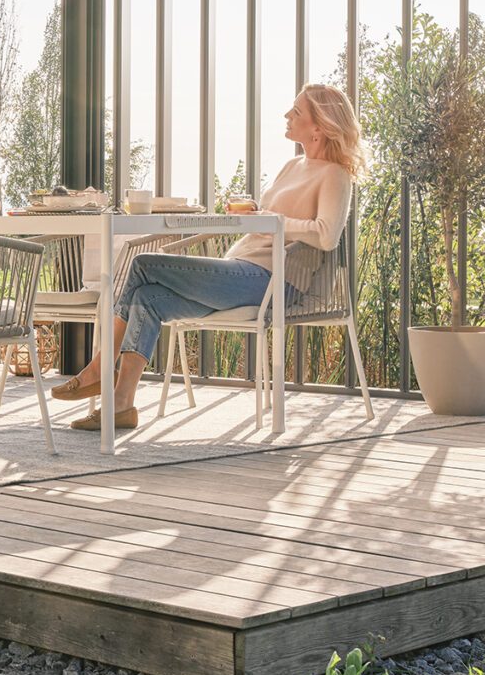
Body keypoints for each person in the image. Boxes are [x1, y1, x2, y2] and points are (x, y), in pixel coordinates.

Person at [52, 83, 359, 430]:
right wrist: (258, 214)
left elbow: (327, 234)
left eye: (297, 111)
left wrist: (273, 221)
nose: (287, 116)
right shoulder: (291, 166)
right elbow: (270, 220)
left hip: (272, 280)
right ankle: (122, 405)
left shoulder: (335, 174)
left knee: (143, 264)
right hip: (241, 271)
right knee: (147, 296)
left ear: (319, 127)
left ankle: (99, 368)